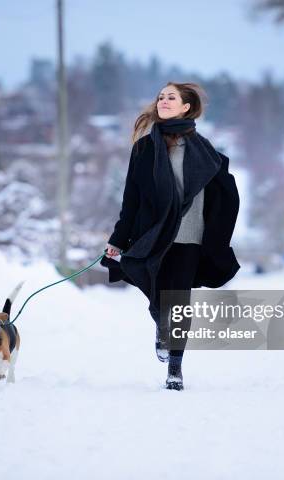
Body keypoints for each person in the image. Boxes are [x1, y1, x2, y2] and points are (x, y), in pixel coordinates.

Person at [102, 81, 241, 391]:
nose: (163, 101)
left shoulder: (205, 151)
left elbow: (226, 194)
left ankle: (175, 367)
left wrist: (217, 234)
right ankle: (163, 330)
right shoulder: (144, 148)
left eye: (171, 97)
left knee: (178, 303)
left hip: (189, 237)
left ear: (186, 107)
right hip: (152, 237)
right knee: (157, 296)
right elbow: (132, 199)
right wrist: (117, 239)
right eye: (161, 96)